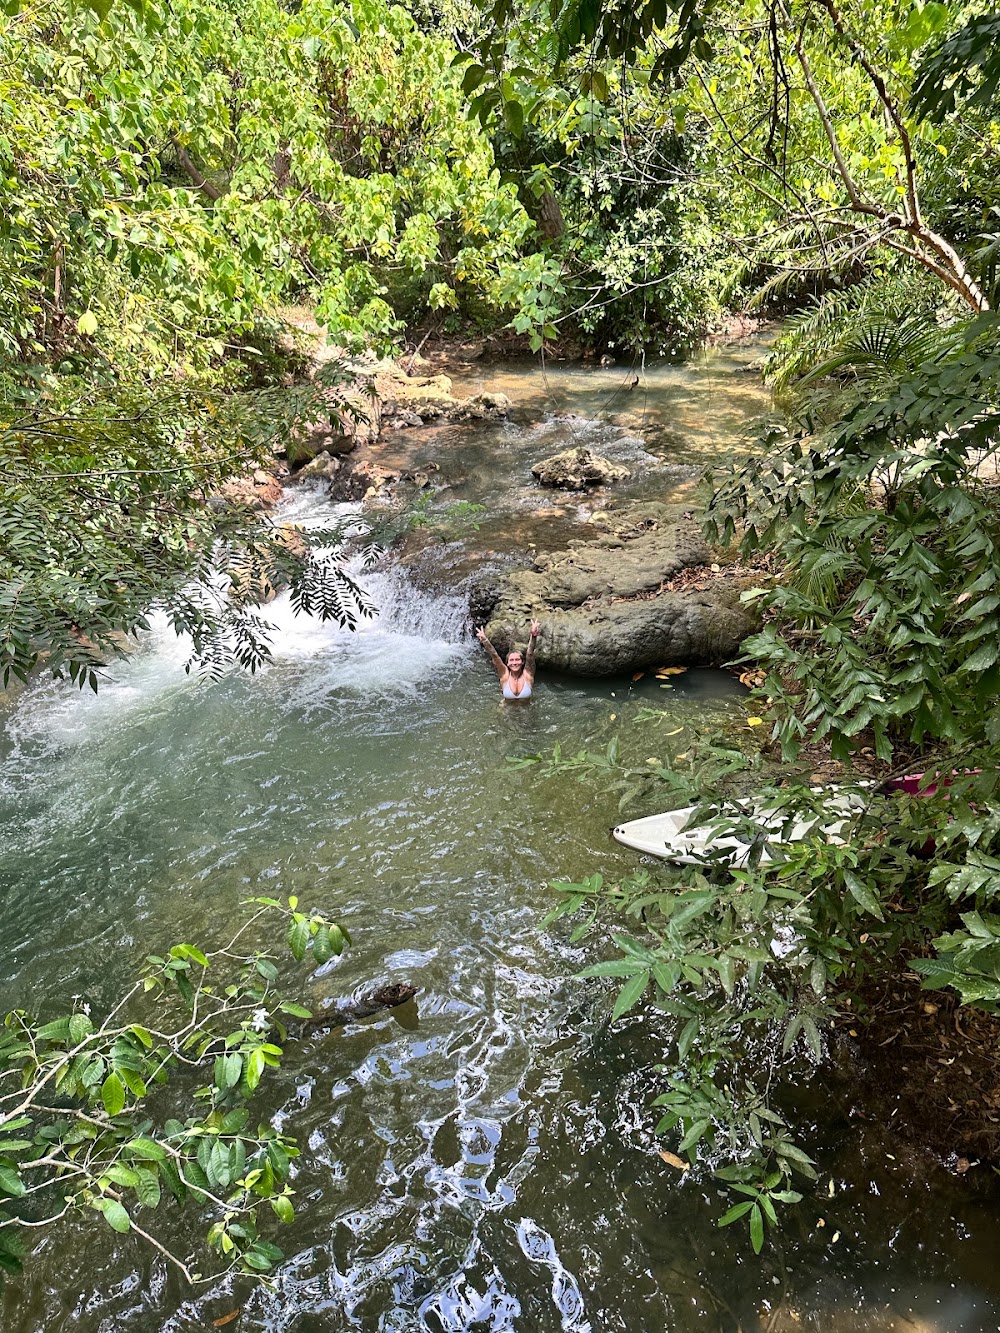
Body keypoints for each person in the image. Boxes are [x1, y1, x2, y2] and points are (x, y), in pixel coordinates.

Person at [476, 620, 541, 700]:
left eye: (517, 659)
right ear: (507, 663)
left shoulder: (527, 676)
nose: (514, 663)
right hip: (506, 711)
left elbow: (530, 653)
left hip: (526, 711)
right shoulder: (504, 676)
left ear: (522, 662)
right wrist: (485, 641)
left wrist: (533, 635)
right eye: (512, 660)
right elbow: (495, 656)